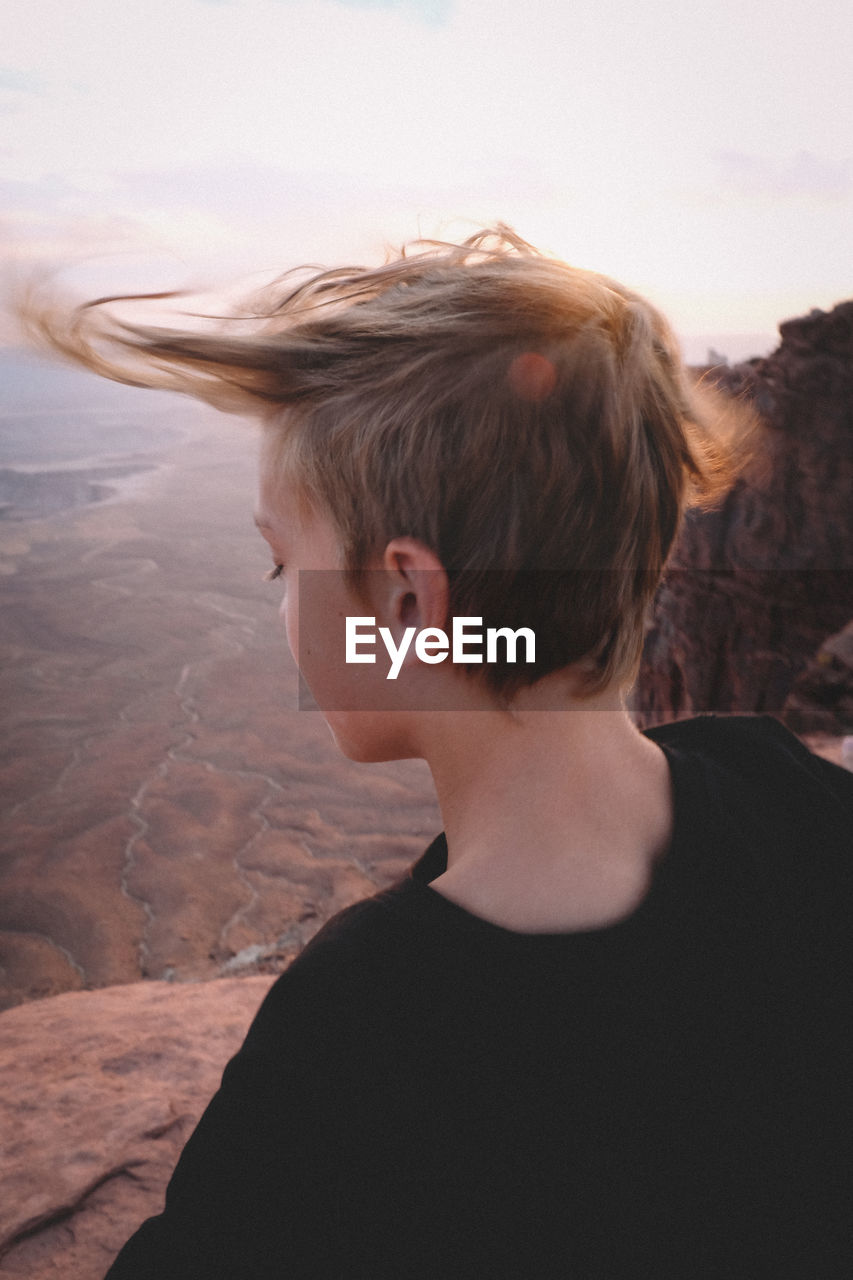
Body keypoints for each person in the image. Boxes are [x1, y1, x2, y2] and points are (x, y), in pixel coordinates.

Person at [24, 228, 853, 1278]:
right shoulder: (792, 797)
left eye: (282, 563)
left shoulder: (362, 1035)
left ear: (411, 601)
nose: (279, 603)